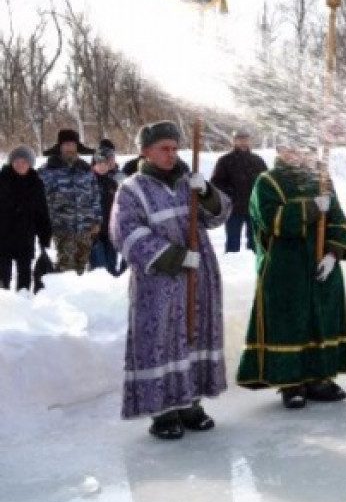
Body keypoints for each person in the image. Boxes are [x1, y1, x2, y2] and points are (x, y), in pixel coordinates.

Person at [110, 121, 232, 439]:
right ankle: (162, 411)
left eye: (175, 148)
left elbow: (218, 216)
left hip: (198, 276)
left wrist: (205, 192)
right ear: (145, 151)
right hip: (159, 283)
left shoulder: (186, 183)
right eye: (164, 148)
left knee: (194, 335)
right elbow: (125, 233)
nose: (171, 154)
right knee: (159, 342)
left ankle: (190, 403)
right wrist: (174, 257)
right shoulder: (132, 189)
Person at [236, 142, 346, 408]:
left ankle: (319, 377)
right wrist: (312, 208)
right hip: (285, 269)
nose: (300, 154)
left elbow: (337, 220)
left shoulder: (321, 180)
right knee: (289, 322)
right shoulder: (266, 182)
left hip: (321, 267)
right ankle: (291, 382)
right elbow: (273, 220)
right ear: (281, 149)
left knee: (321, 319)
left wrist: (333, 254)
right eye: (292, 148)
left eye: (304, 148)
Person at [39, 128, 101, 275]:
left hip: (85, 228)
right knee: (65, 270)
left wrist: (97, 221)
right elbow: (39, 201)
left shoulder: (86, 170)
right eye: (66, 145)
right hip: (61, 228)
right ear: (60, 147)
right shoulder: (46, 171)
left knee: (82, 270)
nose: (69, 148)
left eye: (72, 145)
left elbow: (95, 196)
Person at [0, 146, 51, 292]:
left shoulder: (36, 183)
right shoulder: (2, 179)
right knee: (3, 278)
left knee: (24, 276)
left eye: (24, 161)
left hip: (25, 237)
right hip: (3, 237)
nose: (20, 164)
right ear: (11, 162)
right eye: (17, 161)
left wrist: (44, 236)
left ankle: (23, 306)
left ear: (30, 163)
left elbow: (42, 212)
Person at [210, 129, 269, 253]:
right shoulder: (225, 161)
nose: (243, 142)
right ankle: (232, 265)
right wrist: (231, 195)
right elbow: (216, 183)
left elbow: (266, 183)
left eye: (246, 139)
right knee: (232, 243)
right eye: (240, 139)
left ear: (250, 141)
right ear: (234, 141)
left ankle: (254, 268)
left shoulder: (257, 161)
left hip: (253, 209)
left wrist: (261, 201)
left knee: (255, 243)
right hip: (233, 209)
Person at [88, 146, 123, 275]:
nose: (102, 166)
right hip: (94, 231)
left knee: (111, 265)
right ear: (94, 165)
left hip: (111, 229)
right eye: (99, 163)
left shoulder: (113, 182)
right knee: (99, 268)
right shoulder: (88, 182)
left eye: (105, 164)